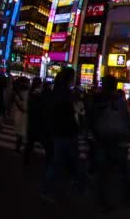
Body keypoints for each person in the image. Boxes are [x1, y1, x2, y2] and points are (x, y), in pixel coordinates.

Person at [89, 75, 130, 212]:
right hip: (116, 139)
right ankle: (125, 199)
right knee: (121, 171)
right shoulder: (118, 100)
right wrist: (128, 133)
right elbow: (125, 117)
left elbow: (91, 118)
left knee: (105, 172)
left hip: (103, 139)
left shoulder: (97, 99)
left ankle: (104, 200)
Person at [42, 67, 85, 203]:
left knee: (60, 161)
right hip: (66, 132)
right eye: (73, 77)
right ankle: (48, 190)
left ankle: (74, 184)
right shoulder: (66, 94)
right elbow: (68, 115)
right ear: (69, 78)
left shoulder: (56, 91)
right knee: (64, 161)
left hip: (58, 131)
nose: (74, 80)